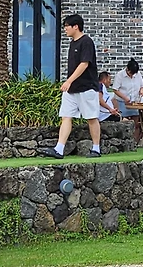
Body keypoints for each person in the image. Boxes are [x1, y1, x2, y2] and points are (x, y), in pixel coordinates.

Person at [41, 13, 101, 158]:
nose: (65, 29)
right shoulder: (72, 43)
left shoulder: (86, 42)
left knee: (91, 118)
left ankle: (96, 149)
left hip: (87, 87)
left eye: (67, 26)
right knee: (66, 116)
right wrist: (70, 83)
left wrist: (68, 81)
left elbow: (84, 64)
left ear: (76, 26)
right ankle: (59, 149)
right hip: (72, 90)